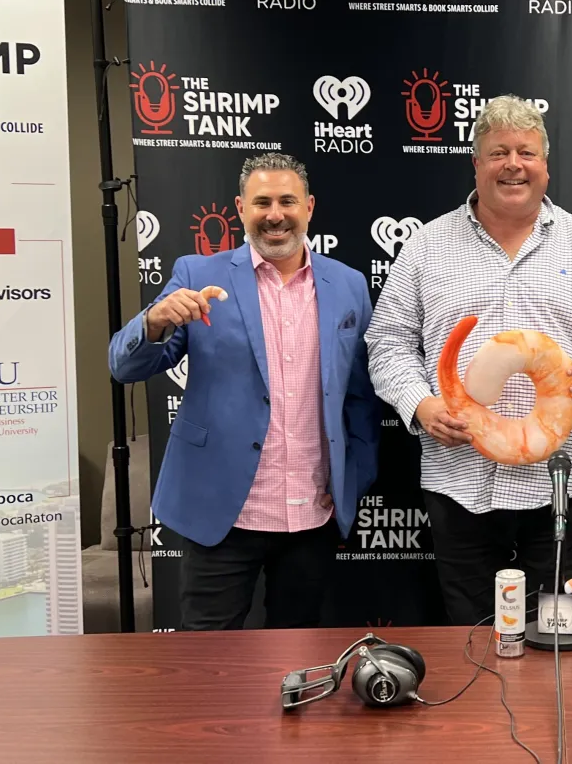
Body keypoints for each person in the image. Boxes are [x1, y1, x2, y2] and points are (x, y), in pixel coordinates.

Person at [366, 94, 572, 626]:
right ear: (476, 163)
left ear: (545, 164)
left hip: (561, 486)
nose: (513, 165)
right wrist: (420, 404)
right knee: (472, 637)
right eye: (498, 153)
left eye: (526, 152)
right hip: (460, 480)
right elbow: (387, 340)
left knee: (555, 634)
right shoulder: (427, 246)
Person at [108, 152, 381, 630]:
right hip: (222, 512)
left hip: (312, 516)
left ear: (310, 207)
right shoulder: (196, 276)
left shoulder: (349, 285)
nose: (275, 214)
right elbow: (125, 366)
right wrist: (154, 321)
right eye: (262, 202)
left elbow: (359, 394)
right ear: (240, 209)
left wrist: (353, 479)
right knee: (208, 668)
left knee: (299, 665)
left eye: (287, 201)